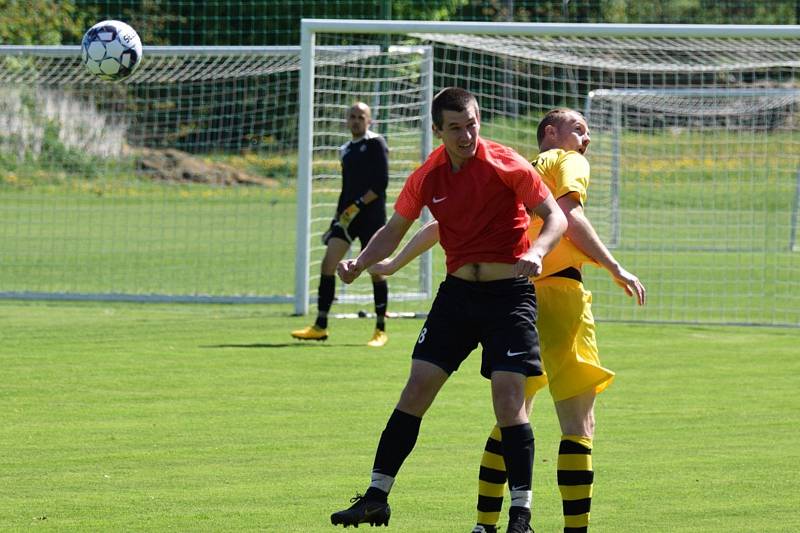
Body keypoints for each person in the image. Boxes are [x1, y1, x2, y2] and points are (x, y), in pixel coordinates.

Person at [370, 108, 646, 533]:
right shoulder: (564, 160)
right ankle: (574, 530)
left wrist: (394, 262)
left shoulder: (502, 165)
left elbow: (445, 227)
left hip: (513, 294)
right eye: (579, 129)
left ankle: (485, 525)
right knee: (577, 422)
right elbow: (569, 216)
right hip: (557, 292)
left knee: (512, 414)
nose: (586, 138)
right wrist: (614, 266)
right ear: (551, 133)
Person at [330, 88, 567, 533]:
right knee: (417, 388)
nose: (466, 135)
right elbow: (394, 228)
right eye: (455, 128)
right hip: (457, 296)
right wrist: (360, 263)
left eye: (472, 124)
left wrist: (537, 250)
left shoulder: (507, 164)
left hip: (509, 296)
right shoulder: (428, 175)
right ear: (437, 131)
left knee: (508, 400)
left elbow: (555, 217)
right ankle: (376, 497)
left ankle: (521, 516)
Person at [291, 102, 390, 347]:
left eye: (361, 116)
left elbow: (380, 185)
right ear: (346, 120)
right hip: (347, 219)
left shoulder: (377, 143)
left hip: (371, 218)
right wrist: (336, 219)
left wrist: (357, 205)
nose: (356, 120)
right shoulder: (345, 149)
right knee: (328, 264)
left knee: (375, 270)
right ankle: (320, 326)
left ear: (370, 121)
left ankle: (380, 329)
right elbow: (346, 189)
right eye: (352, 116)